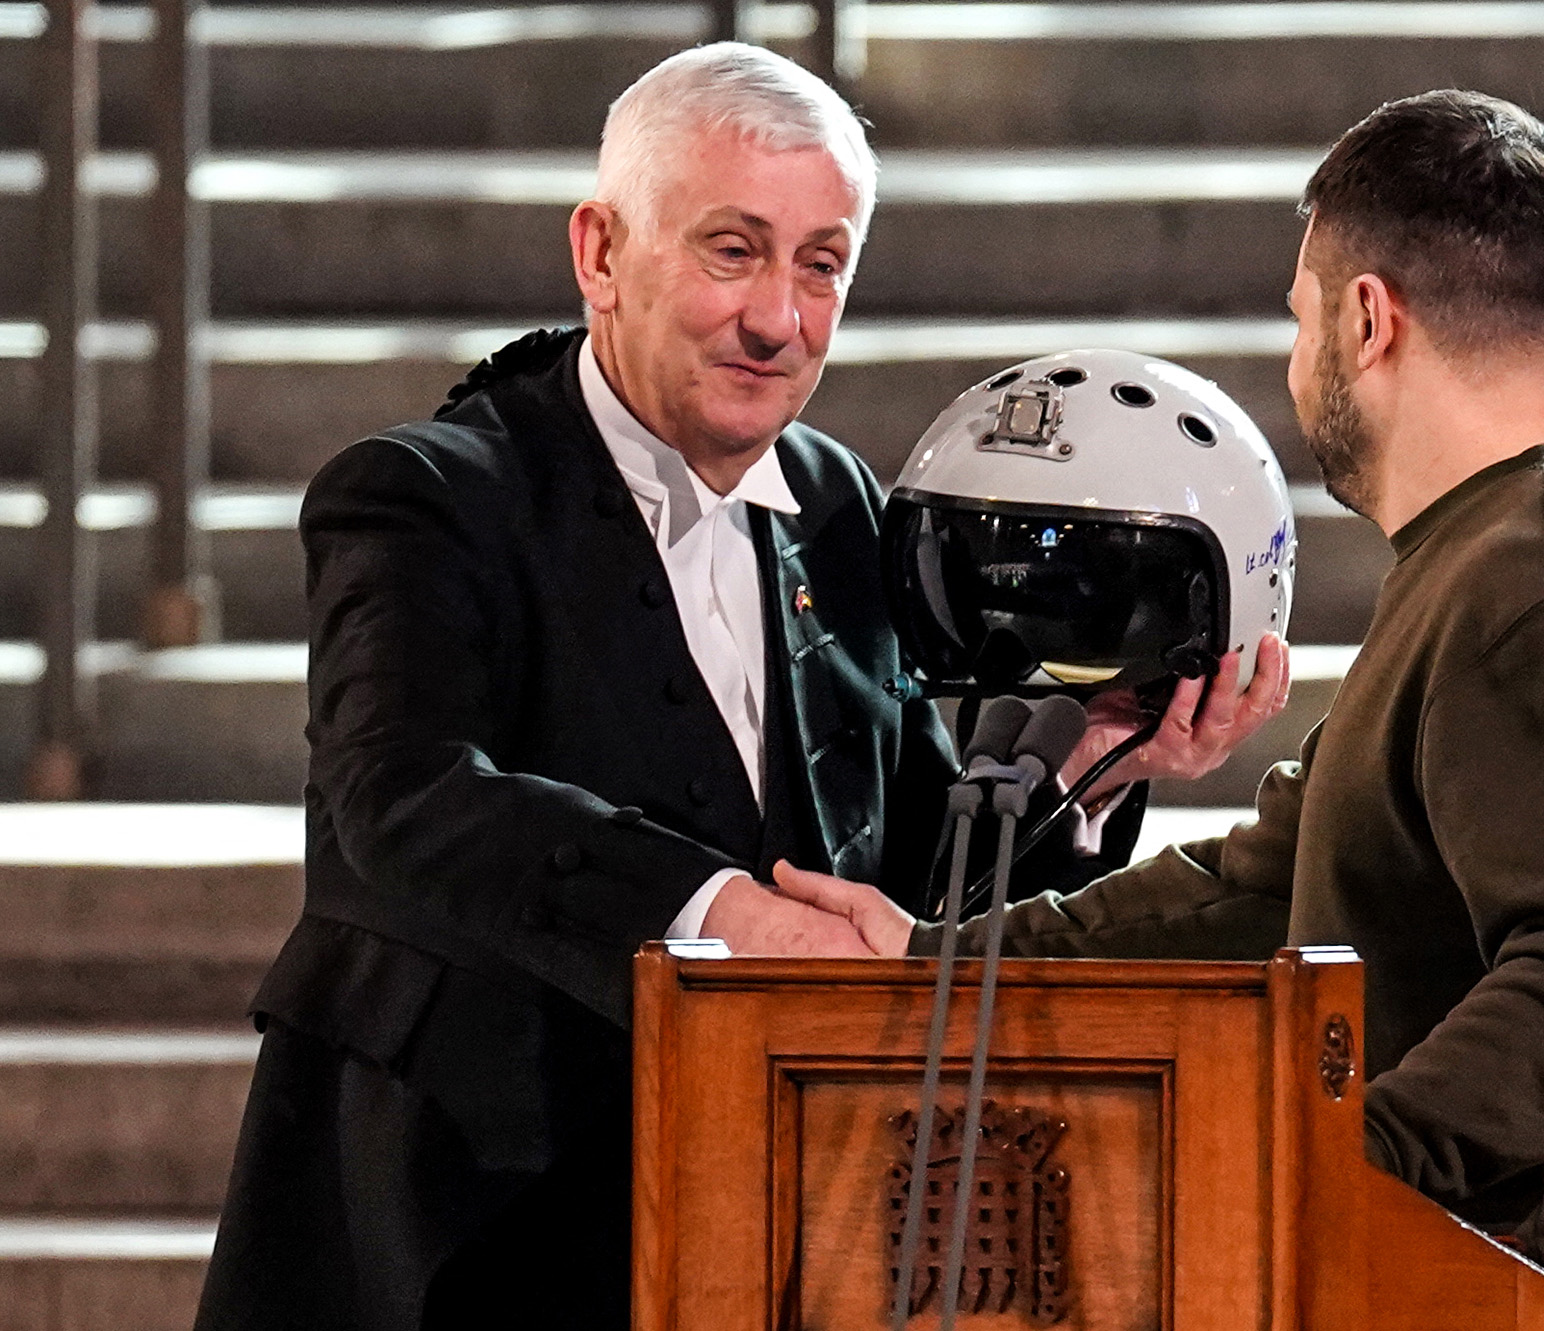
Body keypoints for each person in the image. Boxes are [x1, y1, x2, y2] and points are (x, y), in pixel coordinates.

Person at [194, 43, 1285, 1331]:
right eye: (732, 250)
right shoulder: (419, 496)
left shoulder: (839, 502)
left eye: (820, 263)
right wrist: (718, 912)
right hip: (460, 1237)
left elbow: (908, 875)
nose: (779, 318)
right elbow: (405, 795)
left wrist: (1093, 765)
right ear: (598, 251)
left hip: (774, 1227)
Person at [780, 90, 1544, 1330]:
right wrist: (938, 960)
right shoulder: (1498, 554)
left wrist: (1331, 1159)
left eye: (1300, 319)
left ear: (1367, 318)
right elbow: (1261, 882)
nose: (1298, 363)